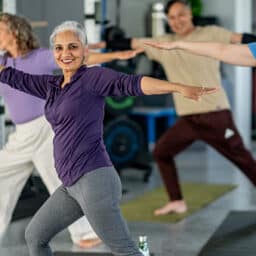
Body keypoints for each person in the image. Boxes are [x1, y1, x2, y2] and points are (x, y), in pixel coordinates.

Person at [0, 20, 216, 256]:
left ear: (84, 51)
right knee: (35, 236)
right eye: (59, 48)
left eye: (72, 47)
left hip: (95, 182)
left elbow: (133, 83)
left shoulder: (93, 79)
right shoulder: (52, 85)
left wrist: (178, 87)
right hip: (71, 185)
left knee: (125, 250)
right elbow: (12, 77)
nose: (65, 53)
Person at [90, 0, 256, 216]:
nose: (177, 21)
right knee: (162, 152)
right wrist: (99, 45)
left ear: (190, 15)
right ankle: (177, 201)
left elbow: (243, 40)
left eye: (181, 15)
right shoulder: (163, 43)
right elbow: (130, 42)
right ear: (168, 20)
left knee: (243, 159)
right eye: (172, 17)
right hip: (188, 118)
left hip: (216, 115)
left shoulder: (211, 33)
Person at [0, 12, 143, 248]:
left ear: (14, 32)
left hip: (46, 129)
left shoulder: (39, 57)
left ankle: (84, 233)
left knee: (64, 181)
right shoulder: (5, 62)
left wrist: (116, 54)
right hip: (22, 135)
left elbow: (79, 57)